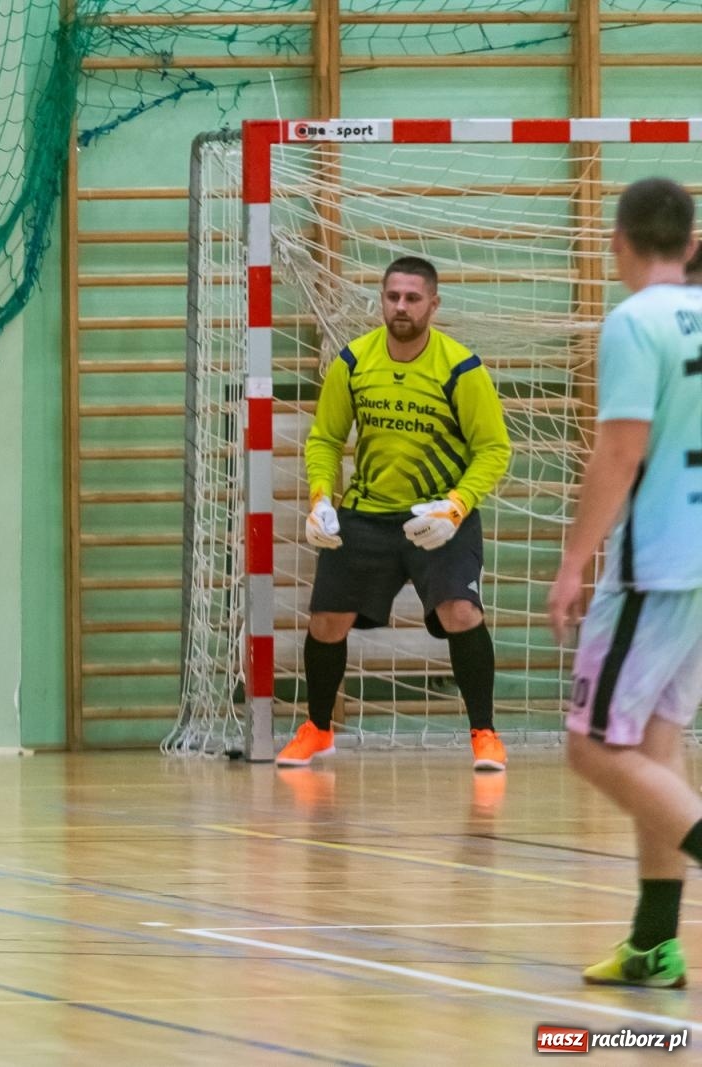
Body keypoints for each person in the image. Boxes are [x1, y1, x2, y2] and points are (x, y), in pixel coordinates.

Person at [548, 177, 702, 989]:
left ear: (618, 239)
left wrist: (574, 560)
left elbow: (620, 452)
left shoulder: (635, 320)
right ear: (689, 236)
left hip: (656, 564)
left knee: (593, 745)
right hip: (699, 566)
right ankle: (654, 941)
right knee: (654, 746)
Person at [281, 255, 513, 770]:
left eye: (412, 298)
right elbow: (324, 438)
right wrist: (321, 497)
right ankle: (318, 729)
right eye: (392, 297)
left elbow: (494, 450)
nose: (401, 307)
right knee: (325, 622)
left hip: (439, 514)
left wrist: (456, 506)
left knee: (461, 613)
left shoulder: (461, 368)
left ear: (434, 303)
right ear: (381, 301)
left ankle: (484, 735)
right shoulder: (354, 362)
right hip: (367, 515)